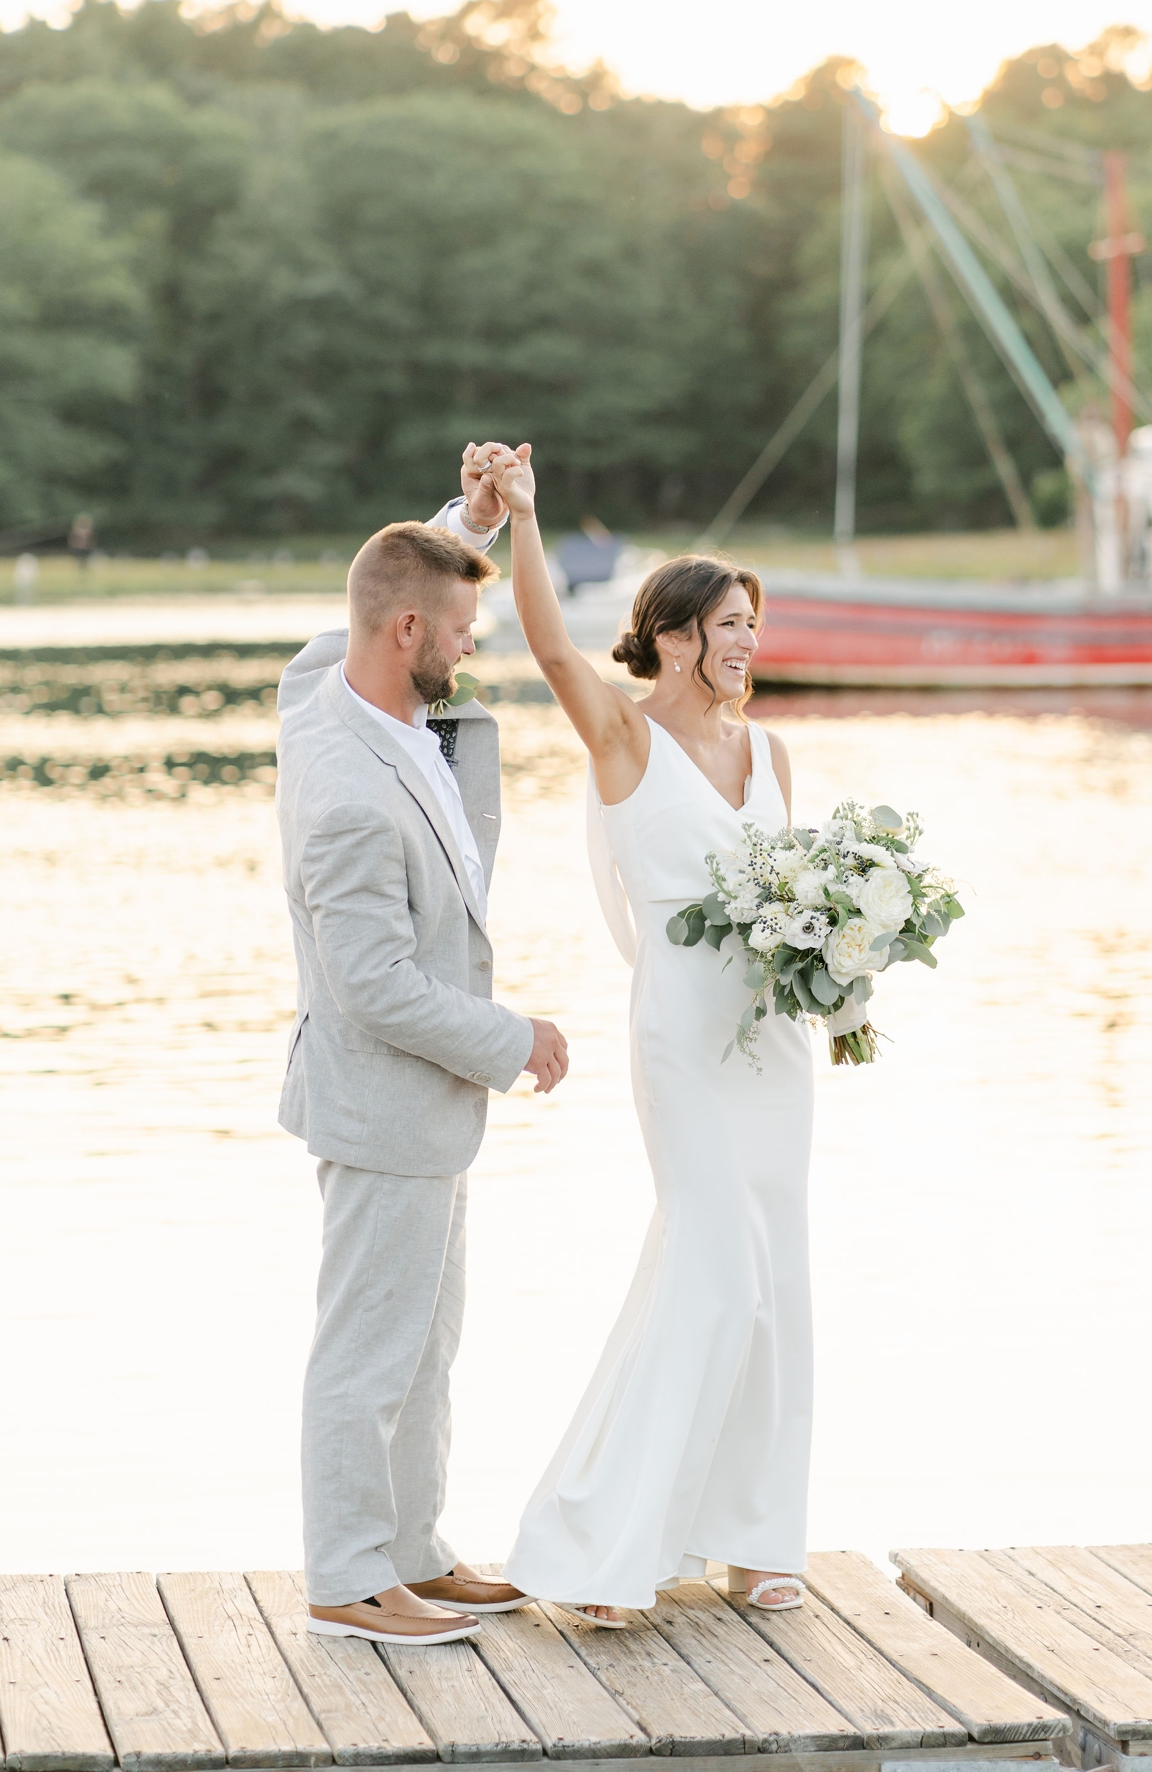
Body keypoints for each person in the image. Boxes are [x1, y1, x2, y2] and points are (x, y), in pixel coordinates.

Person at [495, 441, 812, 1626]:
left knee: (776, 1276)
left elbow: (798, 889)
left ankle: (758, 1537)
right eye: (729, 624)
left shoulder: (772, 750)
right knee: (720, 1274)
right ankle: (610, 1547)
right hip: (681, 1032)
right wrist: (521, 517)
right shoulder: (627, 738)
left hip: (776, 1046)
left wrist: (838, 961)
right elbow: (543, 644)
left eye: (753, 625)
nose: (746, 643)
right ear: (674, 636)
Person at [276, 443, 569, 1646]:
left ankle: (412, 1550)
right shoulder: (344, 783)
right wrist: (514, 1038)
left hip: (423, 1117)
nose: (467, 651)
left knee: (428, 1346)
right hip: (384, 1099)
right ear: (405, 632)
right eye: (455, 634)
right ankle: (348, 1579)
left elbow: (402, 574)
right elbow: (373, 988)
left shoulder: (323, 678)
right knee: (367, 1352)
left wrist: (473, 519)